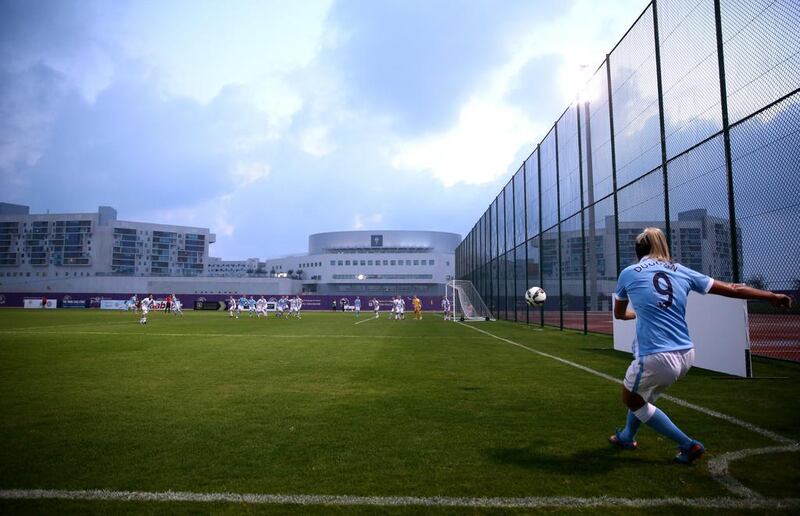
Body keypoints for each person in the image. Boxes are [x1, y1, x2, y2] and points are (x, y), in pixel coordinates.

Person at [610, 228, 792, 464]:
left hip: (656, 355)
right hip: (686, 353)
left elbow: (619, 313)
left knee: (632, 399)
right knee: (644, 397)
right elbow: (733, 289)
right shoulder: (682, 271)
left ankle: (688, 445)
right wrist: (770, 296)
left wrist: (633, 315)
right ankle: (627, 436)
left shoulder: (629, 273)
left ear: (638, 251)